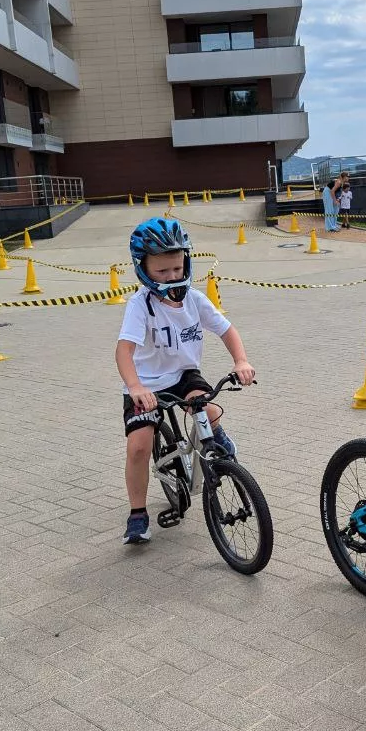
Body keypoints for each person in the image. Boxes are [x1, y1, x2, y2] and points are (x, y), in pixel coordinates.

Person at [115, 217, 256, 546]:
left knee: (209, 411)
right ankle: (137, 514)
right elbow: (124, 351)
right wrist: (135, 387)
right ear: (143, 269)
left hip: (183, 374)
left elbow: (227, 330)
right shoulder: (140, 305)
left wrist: (241, 361)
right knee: (139, 446)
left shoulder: (194, 299)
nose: (172, 276)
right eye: (162, 271)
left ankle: (217, 442)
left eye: (177, 268)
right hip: (146, 382)